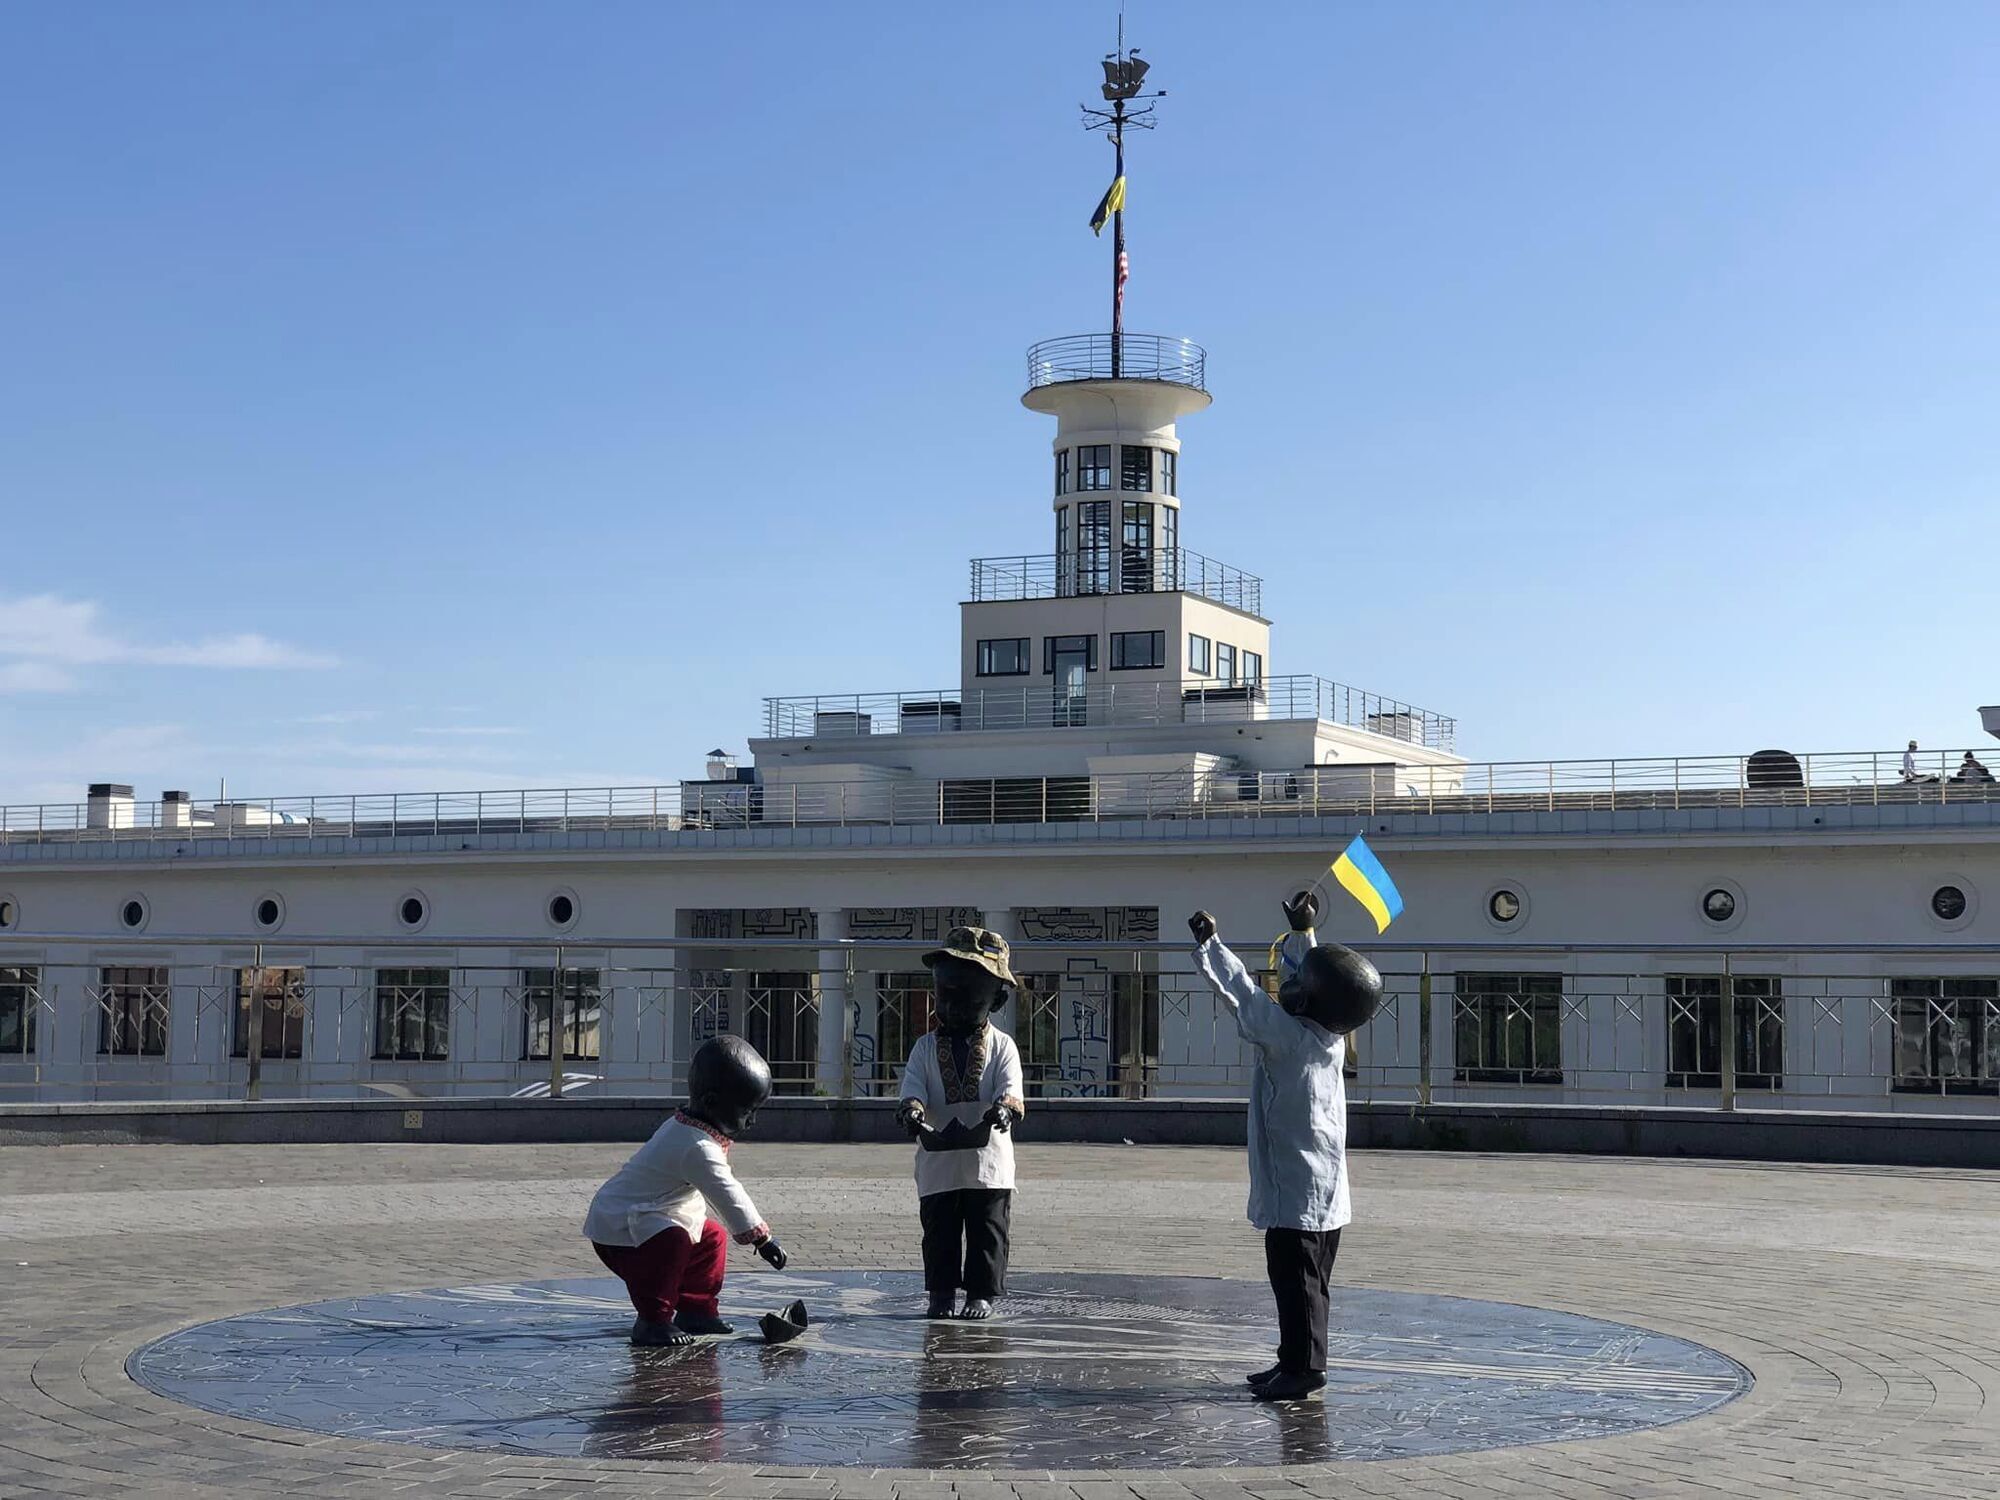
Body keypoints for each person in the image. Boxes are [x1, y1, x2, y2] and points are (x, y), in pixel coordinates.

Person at [1189, 895, 1382, 1402]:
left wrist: (1210, 945)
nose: (1286, 984)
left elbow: (1242, 994)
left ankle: (1306, 1368)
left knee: (1296, 1284)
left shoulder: (1289, 1038)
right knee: (1307, 1283)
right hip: (1321, 1193)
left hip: (1296, 1193)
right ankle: (1292, 1359)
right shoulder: (1328, 1036)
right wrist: (1303, 931)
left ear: (1311, 1000)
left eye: (1294, 984)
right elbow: (1307, 978)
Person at [583, 1034, 788, 1346]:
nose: (752, 1121)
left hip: (650, 1215)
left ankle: (697, 1310)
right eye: (747, 1112)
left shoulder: (689, 1127)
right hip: (622, 1227)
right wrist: (763, 1239)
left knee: (711, 1238)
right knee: (672, 1242)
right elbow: (727, 1192)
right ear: (711, 1103)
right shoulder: (697, 1146)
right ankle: (652, 1321)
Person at [897, 925, 1025, 1321]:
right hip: (938, 1164)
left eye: (966, 1000)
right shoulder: (924, 1047)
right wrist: (913, 1112)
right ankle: (940, 1291)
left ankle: (981, 1293)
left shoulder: (1002, 1046)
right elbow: (913, 1088)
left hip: (988, 1165)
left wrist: (1003, 1109)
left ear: (997, 1000)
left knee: (988, 1231)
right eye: (945, 997)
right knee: (939, 1233)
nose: (951, 1008)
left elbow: (1009, 1088)